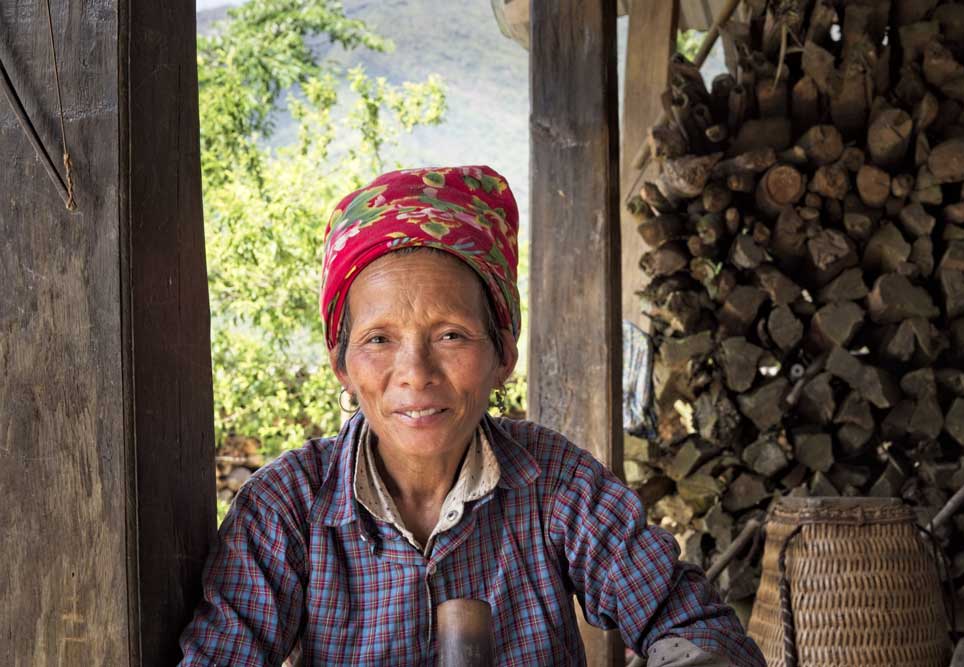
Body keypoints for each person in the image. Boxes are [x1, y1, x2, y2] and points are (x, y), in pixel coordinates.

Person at [179, 165, 765, 666]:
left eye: (451, 335)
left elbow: (696, 627)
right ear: (342, 366)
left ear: (502, 355)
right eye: (379, 339)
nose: (416, 373)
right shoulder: (286, 508)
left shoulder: (554, 482)